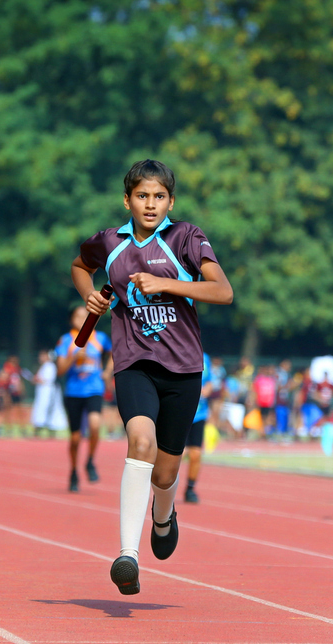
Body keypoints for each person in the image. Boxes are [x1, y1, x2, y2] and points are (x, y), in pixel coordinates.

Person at [72, 159, 233, 595]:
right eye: (142, 196)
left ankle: (164, 514)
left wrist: (168, 285)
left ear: (171, 202)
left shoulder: (186, 238)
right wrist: (90, 296)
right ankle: (128, 556)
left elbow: (223, 291)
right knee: (139, 440)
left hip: (183, 369)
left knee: (164, 474)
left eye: (159, 196)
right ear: (127, 200)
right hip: (134, 362)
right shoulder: (110, 242)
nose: (150, 204)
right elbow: (79, 265)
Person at [55, 306, 114, 492]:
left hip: (94, 389)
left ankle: (90, 461)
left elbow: (113, 353)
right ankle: (73, 471)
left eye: (85, 315)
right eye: (78, 316)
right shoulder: (66, 340)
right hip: (73, 392)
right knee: (75, 437)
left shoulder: (99, 338)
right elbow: (60, 370)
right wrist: (73, 358)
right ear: (71, 319)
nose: (82, 319)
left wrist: (107, 372)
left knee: (95, 425)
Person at [182, 352, 214, 503]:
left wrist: (207, 389)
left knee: (196, 454)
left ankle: (190, 489)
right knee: (177, 455)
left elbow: (209, 381)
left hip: (199, 413)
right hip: (179, 412)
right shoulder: (176, 351)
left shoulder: (205, 358)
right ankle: (163, 487)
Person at [30, 350, 60, 437]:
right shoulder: (44, 366)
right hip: (42, 392)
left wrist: (37, 380)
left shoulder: (50, 366)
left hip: (47, 392)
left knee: (46, 409)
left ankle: (48, 428)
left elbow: (47, 380)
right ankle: (39, 428)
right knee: (40, 409)